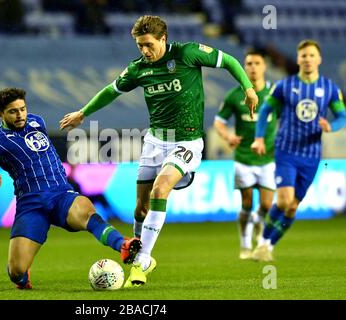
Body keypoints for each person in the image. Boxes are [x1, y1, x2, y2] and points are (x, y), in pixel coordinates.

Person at [59, 15, 258, 287]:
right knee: (140, 209)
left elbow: (231, 61)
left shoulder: (188, 53)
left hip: (186, 142)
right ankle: (137, 252)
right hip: (154, 142)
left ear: (163, 39)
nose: (144, 50)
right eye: (140, 45)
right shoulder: (139, 68)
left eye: (148, 44)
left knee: (160, 190)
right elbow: (111, 90)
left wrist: (248, 88)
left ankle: (141, 264)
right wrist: (83, 113)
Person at [0, 88, 141, 289]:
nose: (20, 114)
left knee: (87, 211)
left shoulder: (37, 122)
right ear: (0, 114)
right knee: (16, 271)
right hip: (31, 204)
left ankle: (122, 245)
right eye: (13, 111)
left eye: (22, 109)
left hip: (61, 193)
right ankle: (22, 273)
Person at [251, 39, 346, 261]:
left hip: (312, 155)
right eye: (304, 55)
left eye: (312, 55)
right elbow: (265, 111)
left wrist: (332, 126)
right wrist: (259, 138)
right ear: (298, 59)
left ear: (319, 59)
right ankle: (263, 242)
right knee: (284, 200)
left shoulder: (329, 88)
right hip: (286, 151)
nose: (307, 59)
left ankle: (270, 245)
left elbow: (342, 115)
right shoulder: (284, 86)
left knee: (292, 207)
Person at [214, 50, 277, 260]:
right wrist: (227, 136)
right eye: (248, 63)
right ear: (244, 67)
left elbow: (286, 119)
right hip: (243, 157)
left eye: (257, 63)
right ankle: (244, 245)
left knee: (267, 205)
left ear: (264, 67)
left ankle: (259, 224)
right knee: (247, 203)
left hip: (268, 158)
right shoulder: (234, 95)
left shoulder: (275, 95)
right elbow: (219, 121)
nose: (252, 67)